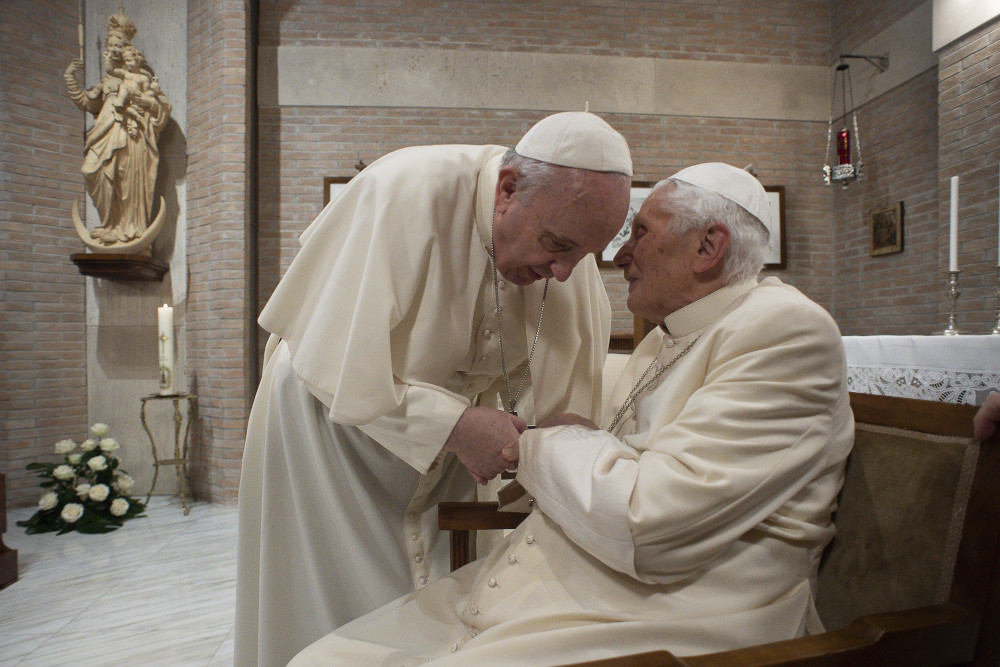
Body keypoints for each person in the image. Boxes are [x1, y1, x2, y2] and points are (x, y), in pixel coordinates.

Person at [289, 162, 856, 665]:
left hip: (676, 617)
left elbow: (648, 522)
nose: (619, 255)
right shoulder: (668, 338)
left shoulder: (784, 330)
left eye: (639, 232)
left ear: (708, 247)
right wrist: (584, 445)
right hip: (580, 590)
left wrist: (530, 444)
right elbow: (618, 463)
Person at [235, 112, 634, 666]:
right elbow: (332, 356)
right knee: (329, 600)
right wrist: (454, 424)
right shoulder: (403, 190)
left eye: (582, 256)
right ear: (508, 190)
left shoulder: (563, 248)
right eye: (556, 245)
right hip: (326, 435)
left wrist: (547, 435)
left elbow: (565, 382)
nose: (563, 272)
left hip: (441, 448)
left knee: (425, 602)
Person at [63, 11, 171, 245]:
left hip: (131, 138)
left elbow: (163, 106)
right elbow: (87, 102)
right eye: (109, 45)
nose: (111, 51)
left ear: (125, 50)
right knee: (91, 170)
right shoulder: (107, 82)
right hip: (104, 134)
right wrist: (70, 77)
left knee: (125, 181)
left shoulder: (141, 78)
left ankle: (126, 228)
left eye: (116, 46)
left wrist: (145, 102)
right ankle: (108, 223)